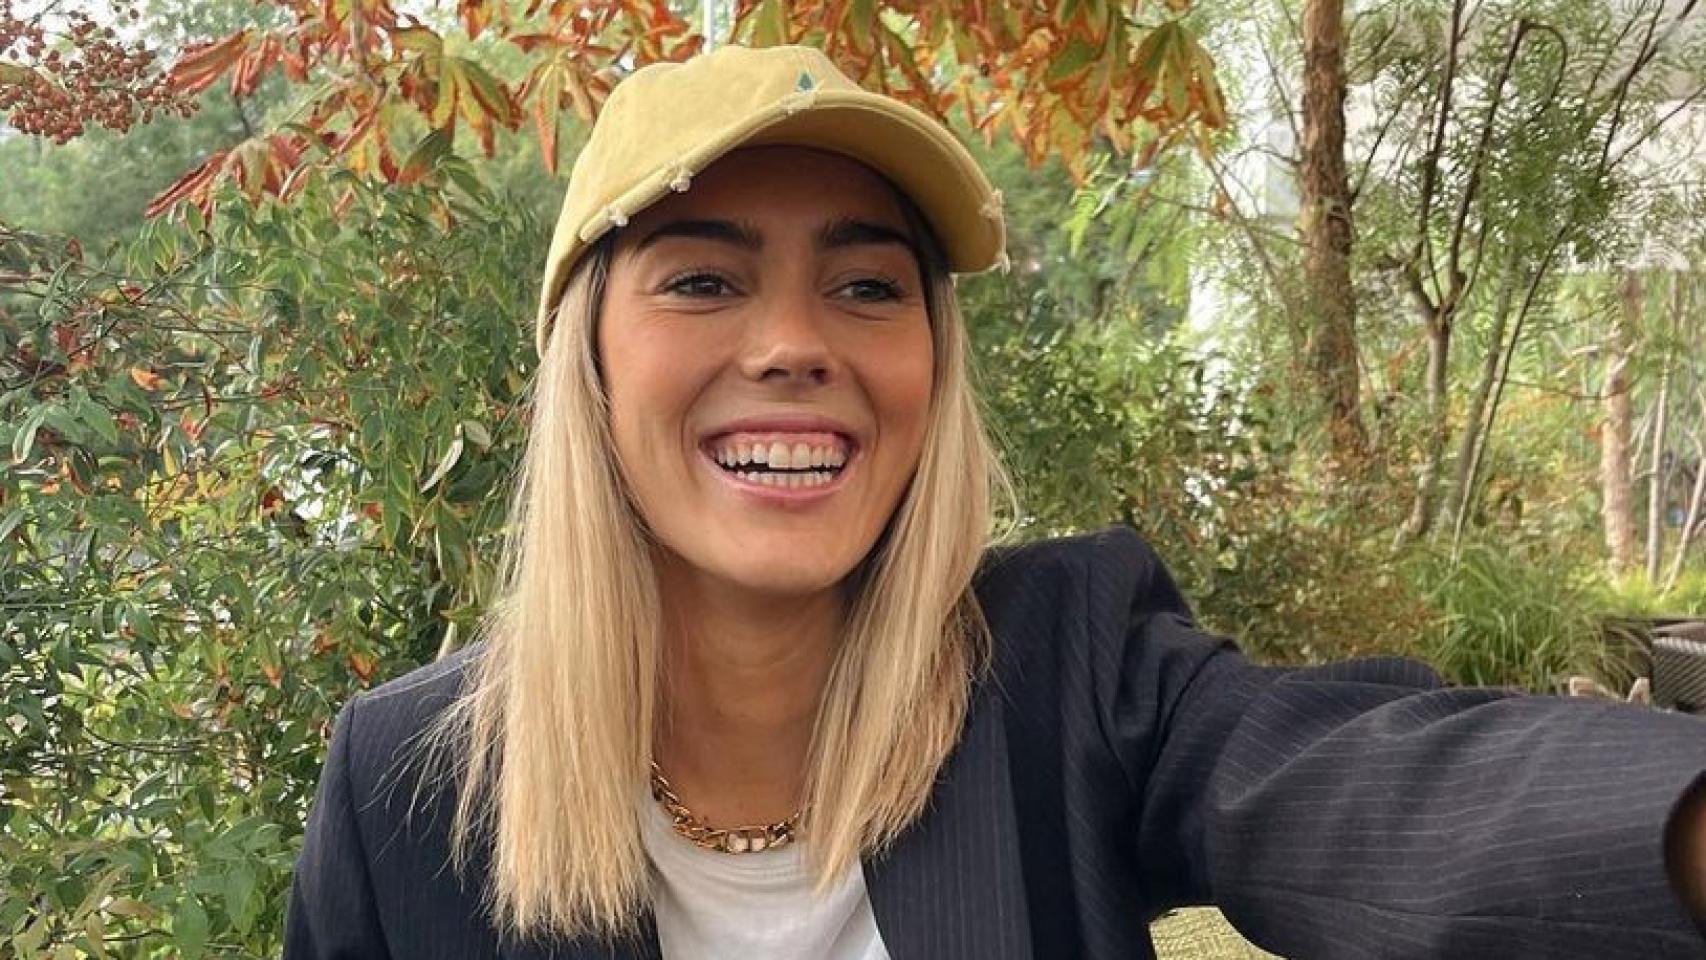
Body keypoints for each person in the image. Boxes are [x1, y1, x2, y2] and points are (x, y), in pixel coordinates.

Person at [283, 43, 1706, 960]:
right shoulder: (405, 784)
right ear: (586, 362)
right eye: (703, 279)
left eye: (866, 286)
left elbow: (1367, 786)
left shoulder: (1065, 668)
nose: (795, 345)